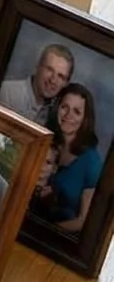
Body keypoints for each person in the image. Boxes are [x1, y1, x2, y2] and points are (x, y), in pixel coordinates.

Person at [30, 83, 103, 234]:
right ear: (57, 108)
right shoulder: (43, 139)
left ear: (85, 119)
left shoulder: (92, 162)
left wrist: (45, 232)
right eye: (65, 107)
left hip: (58, 236)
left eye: (77, 112)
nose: (68, 115)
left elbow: (83, 221)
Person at [0, 43, 75, 126]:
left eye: (60, 76)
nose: (53, 80)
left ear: (66, 83)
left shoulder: (57, 114)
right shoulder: (7, 93)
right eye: (49, 70)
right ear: (37, 67)